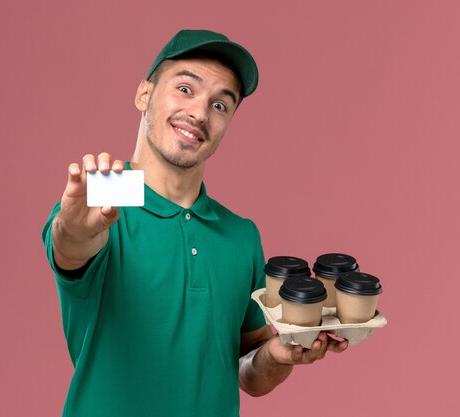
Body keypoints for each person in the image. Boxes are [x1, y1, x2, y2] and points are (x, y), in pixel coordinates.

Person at [42, 29, 348, 417]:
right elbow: (71, 243)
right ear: (144, 94)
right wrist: (73, 230)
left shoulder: (240, 234)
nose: (200, 113)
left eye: (220, 105)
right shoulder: (101, 197)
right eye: (185, 89)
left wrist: (275, 355)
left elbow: (248, 372)